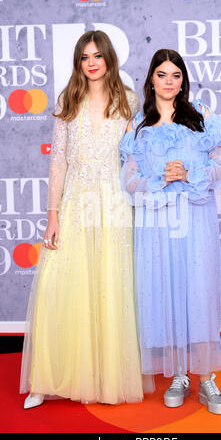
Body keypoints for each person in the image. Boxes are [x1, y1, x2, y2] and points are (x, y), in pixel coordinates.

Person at [19, 30, 144, 408]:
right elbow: (58, 160)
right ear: (78, 62)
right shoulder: (67, 100)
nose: (91, 62)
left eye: (97, 55)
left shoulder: (129, 100)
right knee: (60, 286)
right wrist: (52, 214)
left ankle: (108, 378)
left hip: (115, 203)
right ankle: (46, 379)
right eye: (84, 56)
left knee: (110, 286)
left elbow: (135, 156)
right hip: (74, 200)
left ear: (109, 58)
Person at [119, 49, 221, 415]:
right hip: (157, 225)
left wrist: (188, 174)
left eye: (176, 75)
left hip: (195, 219)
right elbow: (129, 180)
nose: (169, 82)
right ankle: (176, 375)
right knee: (165, 292)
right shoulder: (137, 125)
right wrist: (159, 179)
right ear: (150, 79)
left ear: (183, 80)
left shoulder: (201, 117)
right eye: (162, 74)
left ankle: (205, 379)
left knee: (198, 294)